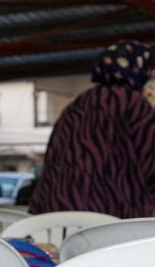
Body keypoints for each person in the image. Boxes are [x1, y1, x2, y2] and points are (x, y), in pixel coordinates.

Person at [29, 40, 155, 219]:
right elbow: (150, 159)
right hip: (109, 213)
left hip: (56, 211)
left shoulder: (77, 104)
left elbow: (52, 155)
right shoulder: (133, 103)